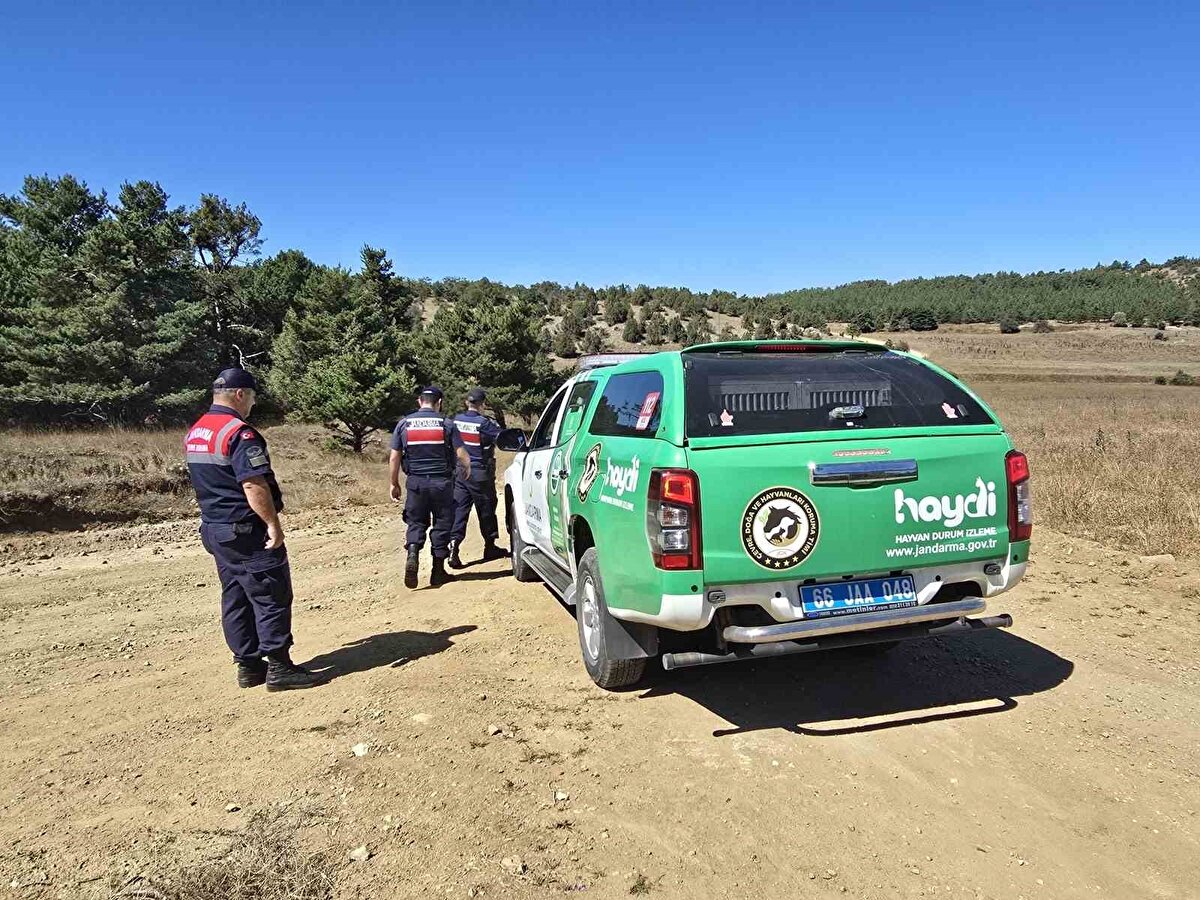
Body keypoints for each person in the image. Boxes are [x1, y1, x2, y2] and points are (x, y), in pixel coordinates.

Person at [184, 368, 324, 691]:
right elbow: (252, 483)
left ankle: (248, 666)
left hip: (215, 529)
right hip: (245, 529)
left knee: (235, 595)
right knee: (270, 592)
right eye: (253, 398)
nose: (252, 405)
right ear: (240, 394)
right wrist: (272, 524)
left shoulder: (197, 431)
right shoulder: (239, 433)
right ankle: (279, 667)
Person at [390, 386, 471, 588]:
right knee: (442, 523)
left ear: (419, 401)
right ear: (439, 402)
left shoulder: (404, 424)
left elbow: (394, 457)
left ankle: (413, 553)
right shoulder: (446, 424)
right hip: (442, 483)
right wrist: (467, 468)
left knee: (416, 521)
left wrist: (394, 483)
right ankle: (437, 572)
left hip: (416, 482)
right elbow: (461, 453)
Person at [448, 387, 508, 568]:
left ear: (467, 402)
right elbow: (501, 438)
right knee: (487, 509)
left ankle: (453, 545)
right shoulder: (484, 423)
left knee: (459, 510)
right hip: (479, 473)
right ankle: (490, 546)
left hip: (460, 473)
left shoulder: (455, 420)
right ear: (482, 404)